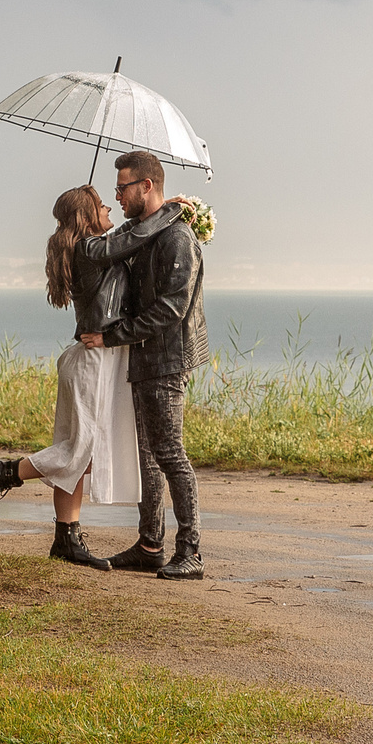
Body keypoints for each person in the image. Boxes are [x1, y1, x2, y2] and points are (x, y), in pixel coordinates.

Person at [0, 185, 139, 570]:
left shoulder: (89, 249)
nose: (109, 206)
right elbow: (134, 235)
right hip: (92, 363)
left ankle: (66, 539)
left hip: (89, 361)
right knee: (81, 451)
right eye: (101, 205)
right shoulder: (89, 250)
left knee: (76, 450)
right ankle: (5, 472)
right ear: (87, 217)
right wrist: (175, 212)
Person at [75, 148, 210, 580]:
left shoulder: (176, 238)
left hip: (168, 360)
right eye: (114, 189)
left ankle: (191, 551)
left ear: (146, 186)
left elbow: (172, 308)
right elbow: (127, 240)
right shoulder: (150, 231)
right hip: (145, 357)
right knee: (148, 456)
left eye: (122, 188)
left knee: (170, 454)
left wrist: (113, 336)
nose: (116, 197)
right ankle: (151, 544)